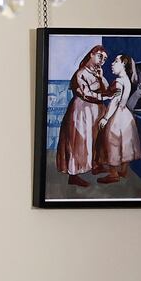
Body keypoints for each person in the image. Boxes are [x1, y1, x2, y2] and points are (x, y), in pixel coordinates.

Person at [55, 45, 110, 188]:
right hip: (81, 111)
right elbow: (85, 93)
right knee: (79, 141)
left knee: (95, 140)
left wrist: (101, 77)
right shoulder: (80, 73)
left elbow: (107, 87)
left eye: (104, 59)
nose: (102, 60)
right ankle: (74, 175)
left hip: (96, 112)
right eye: (99, 56)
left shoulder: (98, 73)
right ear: (91, 54)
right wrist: (103, 96)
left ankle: (94, 166)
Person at [97, 54, 141, 184]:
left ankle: (113, 174)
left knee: (112, 143)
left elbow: (114, 101)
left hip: (117, 115)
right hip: (126, 116)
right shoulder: (126, 79)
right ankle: (123, 170)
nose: (112, 63)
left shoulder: (118, 81)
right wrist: (101, 78)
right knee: (125, 143)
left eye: (116, 61)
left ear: (123, 64)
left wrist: (105, 118)